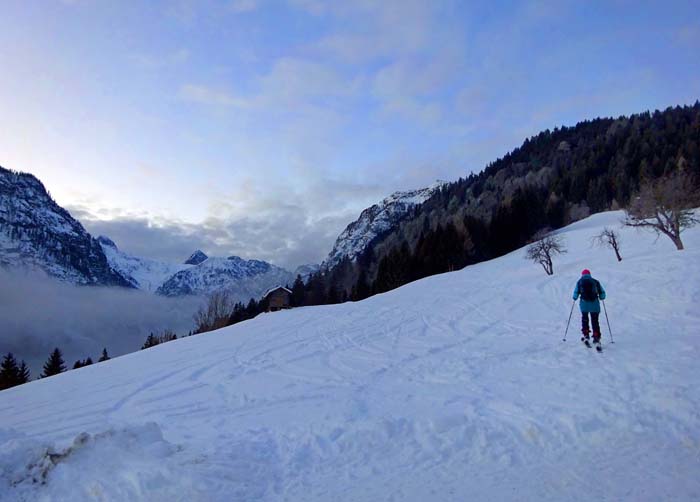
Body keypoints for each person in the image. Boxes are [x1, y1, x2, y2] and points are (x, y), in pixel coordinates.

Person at [573, 269, 606, 346]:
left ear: (582, 275)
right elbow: (602, 293)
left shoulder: (580, 282)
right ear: (590, 274)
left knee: (585, 319)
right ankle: (596, 336)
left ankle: (586, 335)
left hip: (584, 304)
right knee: (595, 321)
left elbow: (575, 293)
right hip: (594, 304)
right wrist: (602, 297)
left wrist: (574, 298)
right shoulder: (595, 281)